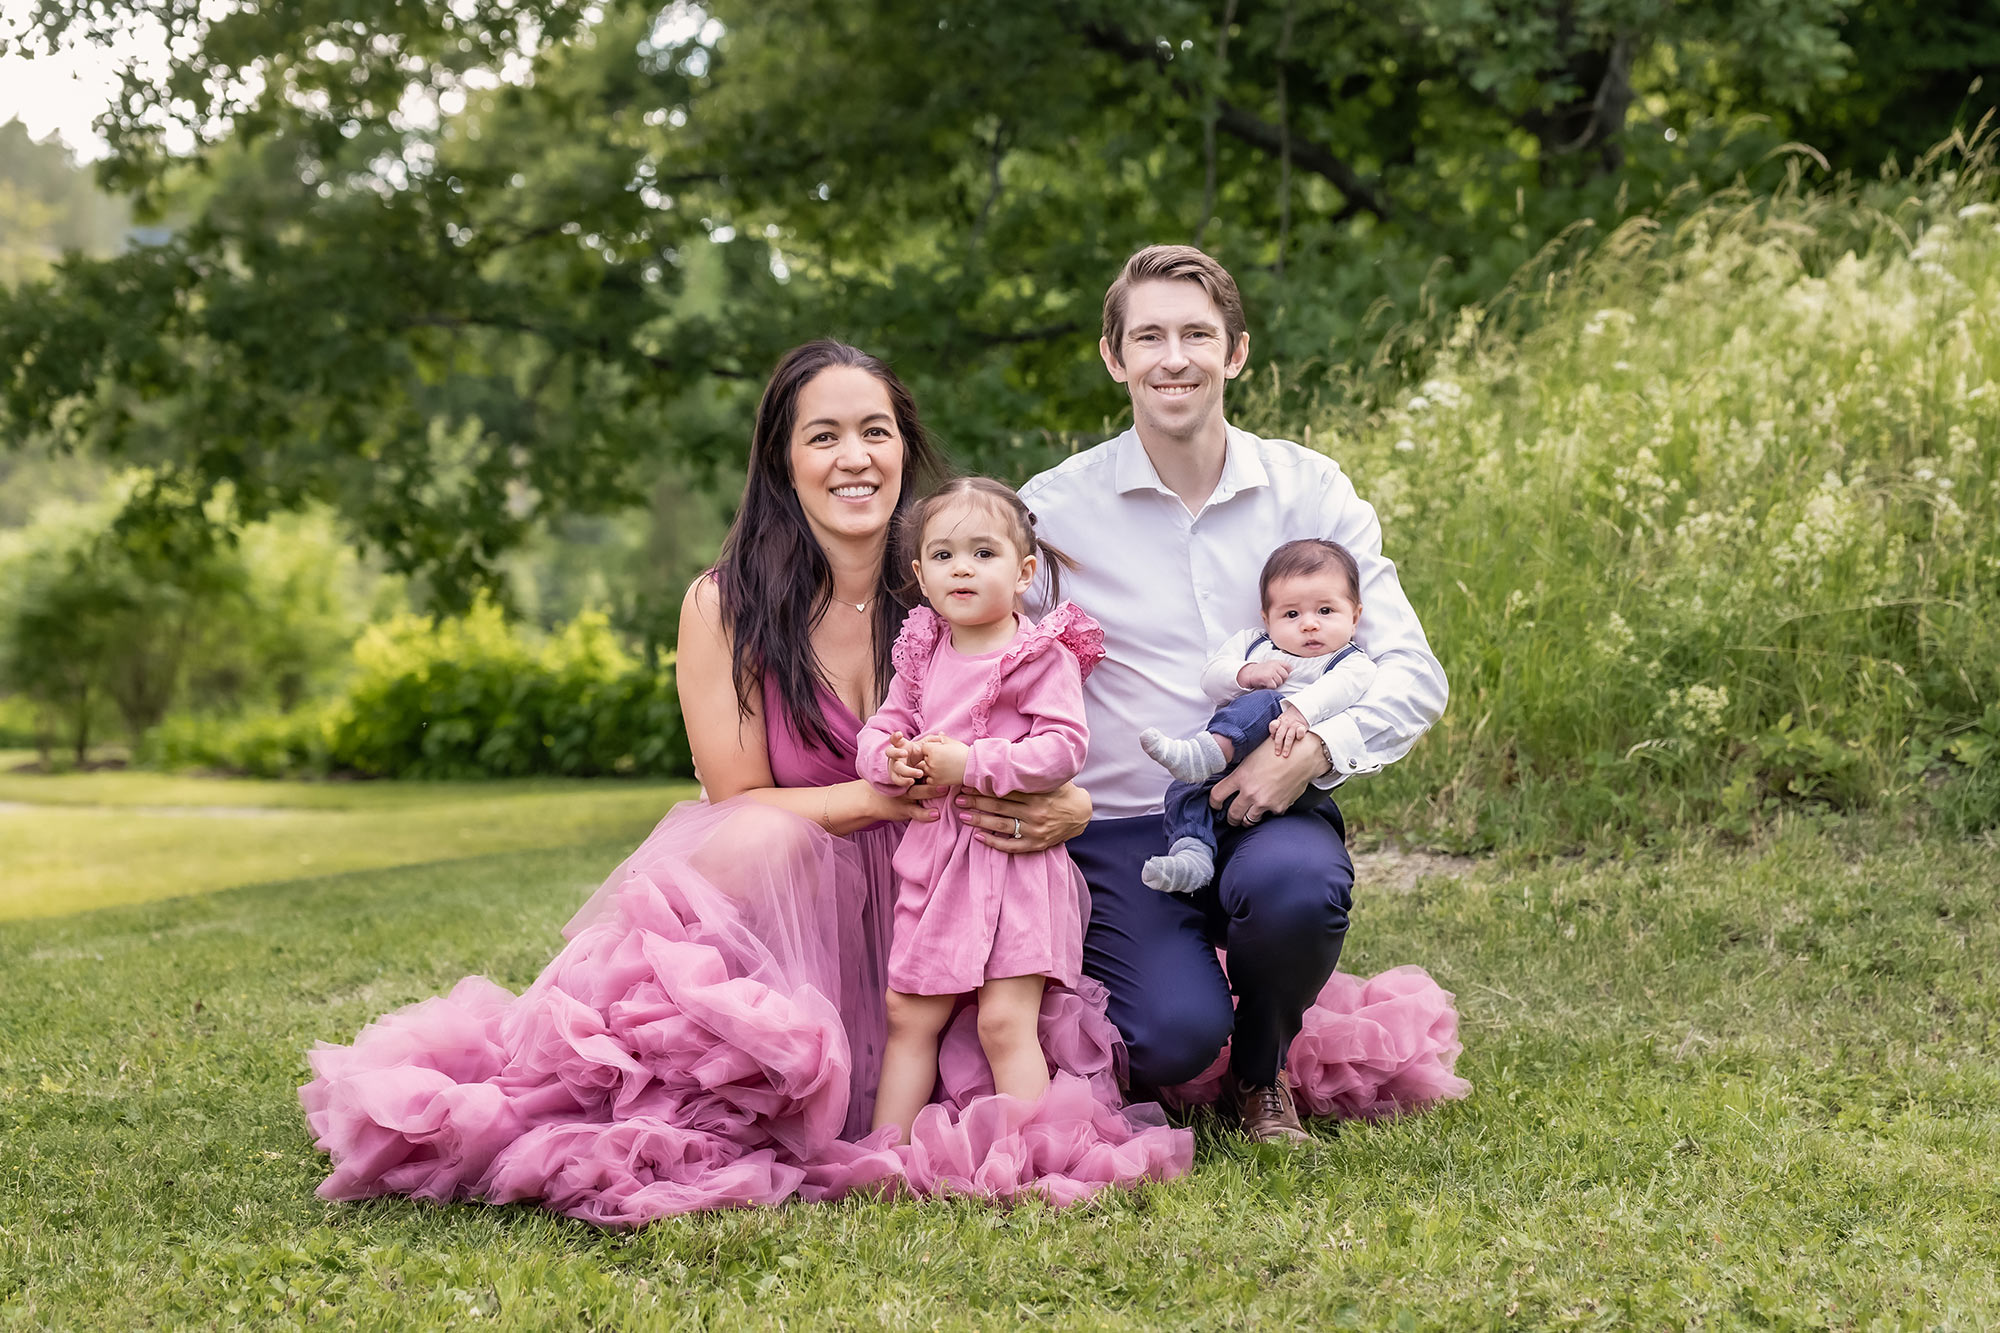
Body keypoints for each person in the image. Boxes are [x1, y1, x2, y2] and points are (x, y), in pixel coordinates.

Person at [299, 341, 1189, 1226]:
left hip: (950, 881)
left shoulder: (963, 580)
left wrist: (1066, 802)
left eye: (875, 431)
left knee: (1139, 1026)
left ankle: (996, 1117)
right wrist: (874, 798)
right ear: (782, 459)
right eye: (824, 435)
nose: (854, 458)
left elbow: (1047, 731)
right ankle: (781, 1078)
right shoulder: (725, 604)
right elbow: (737, 796)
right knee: (760, 838)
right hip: (800, 894)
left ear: (904, 449)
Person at [1007, 245, 1468, 1143]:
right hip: (1127, 821)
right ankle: (1189, 1013)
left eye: (1196, 334)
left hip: (1272, 807)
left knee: (1297, 889)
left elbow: (1413, 671)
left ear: (1237, 352)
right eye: (1149, 336)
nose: (1173, 356)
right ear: (1115, 357)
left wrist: (1311, 756)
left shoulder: (1309, 488)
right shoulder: (1054, 513)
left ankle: (1262, 1074)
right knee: (1171, 1039)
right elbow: (982, 657)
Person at [856, 477, 1103, 1143]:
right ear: (919, 575)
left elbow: (1063, 748)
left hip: (1014, 862)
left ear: (1024, 572)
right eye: (942, 555)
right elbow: (882, 728)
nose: (961, 567)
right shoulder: (923, 651)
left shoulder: (1038, 655)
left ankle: (1034, 1155)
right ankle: (887, 1155)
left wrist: (972, 763)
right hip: (937, 865)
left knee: (1002, 1021)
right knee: (908, 1011)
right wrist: (892, 761)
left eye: (983, 553)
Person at [1137, 538, 1376, 895]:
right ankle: (1192, 855)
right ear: (1267, 618)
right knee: (1184, 792)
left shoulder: (1349, 660)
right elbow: (1212, 676)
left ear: (1354, 617)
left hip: (1294, 777)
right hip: (1230, 769)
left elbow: (1340, 688)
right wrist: (1246, 673)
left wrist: (1298, 712)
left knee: (1266, 702)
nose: (1309, 625)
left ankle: (1203, 754)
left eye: (1326, 611)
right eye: (1291, 614)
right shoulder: (1254, 644)